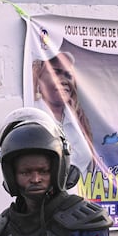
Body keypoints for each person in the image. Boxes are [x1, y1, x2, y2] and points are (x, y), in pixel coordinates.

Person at [0, 107, 113, 236]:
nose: (35, 178)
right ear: (12, 175)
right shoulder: (4, 231)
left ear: (56, 170)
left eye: (43, 171)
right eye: (26, 172)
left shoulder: (85, 224)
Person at [32, 51, 95, 181]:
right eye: (56, 72)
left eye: (68, 75)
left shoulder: (78, 121)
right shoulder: (33, 116)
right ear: (39, 77)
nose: (64, 80)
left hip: (80, 199)